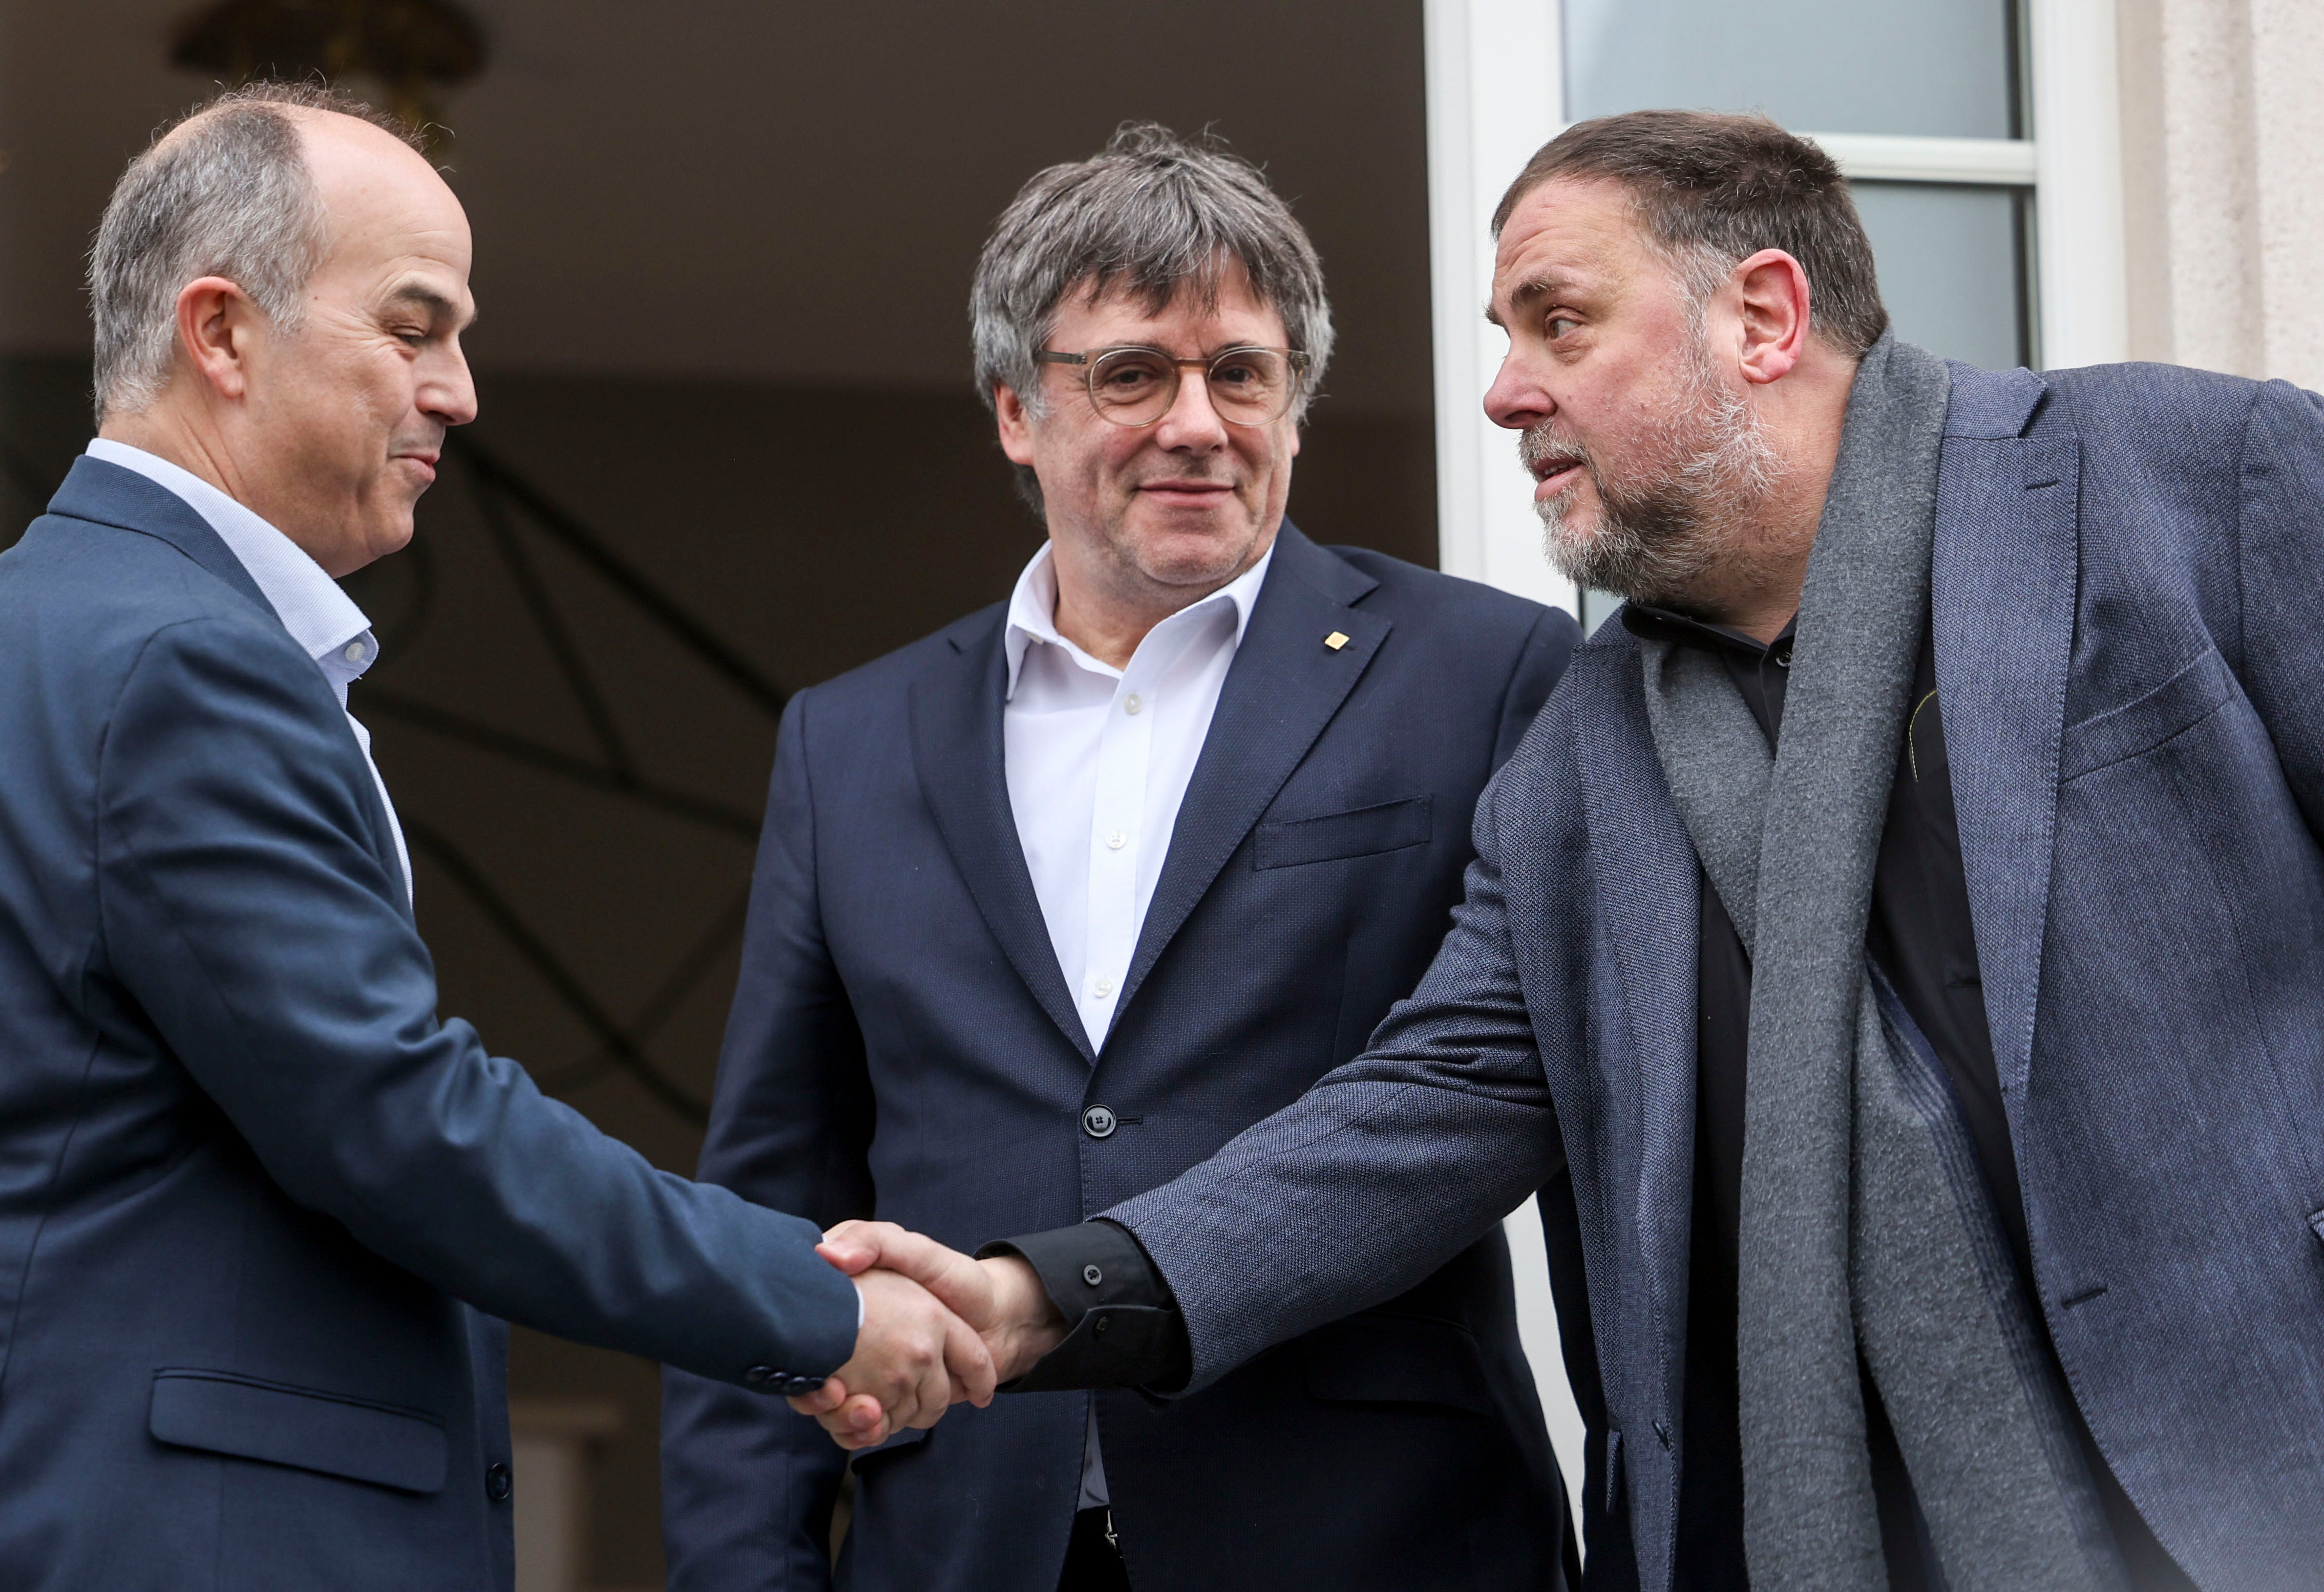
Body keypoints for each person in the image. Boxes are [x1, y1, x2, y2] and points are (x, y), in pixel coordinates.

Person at [807, 110, 2324, 1591]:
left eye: (1559, 323)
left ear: (1763, 317)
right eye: (1506, 335)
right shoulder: (1585, 754)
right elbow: (1417, 1116)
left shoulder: (2191, 479)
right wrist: (1032, 1300)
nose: (1502, 392)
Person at [0, 81, 988, 1591]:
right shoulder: (177, 660)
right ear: (221, 333)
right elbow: (399, 1121)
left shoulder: (54, 627)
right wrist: (818, 1306)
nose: (461, 392)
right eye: (413, 328)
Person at [660, 123, 1581, 1592]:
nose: (1197, 423)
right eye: (1134, 374)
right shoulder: (852, 741)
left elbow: (1535, 1116)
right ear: (1017, 413)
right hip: (963, 1540)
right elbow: (776, 1208)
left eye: (1242, 374)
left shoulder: (1486, 674)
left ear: (1294, 404)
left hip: (1372, 1538)